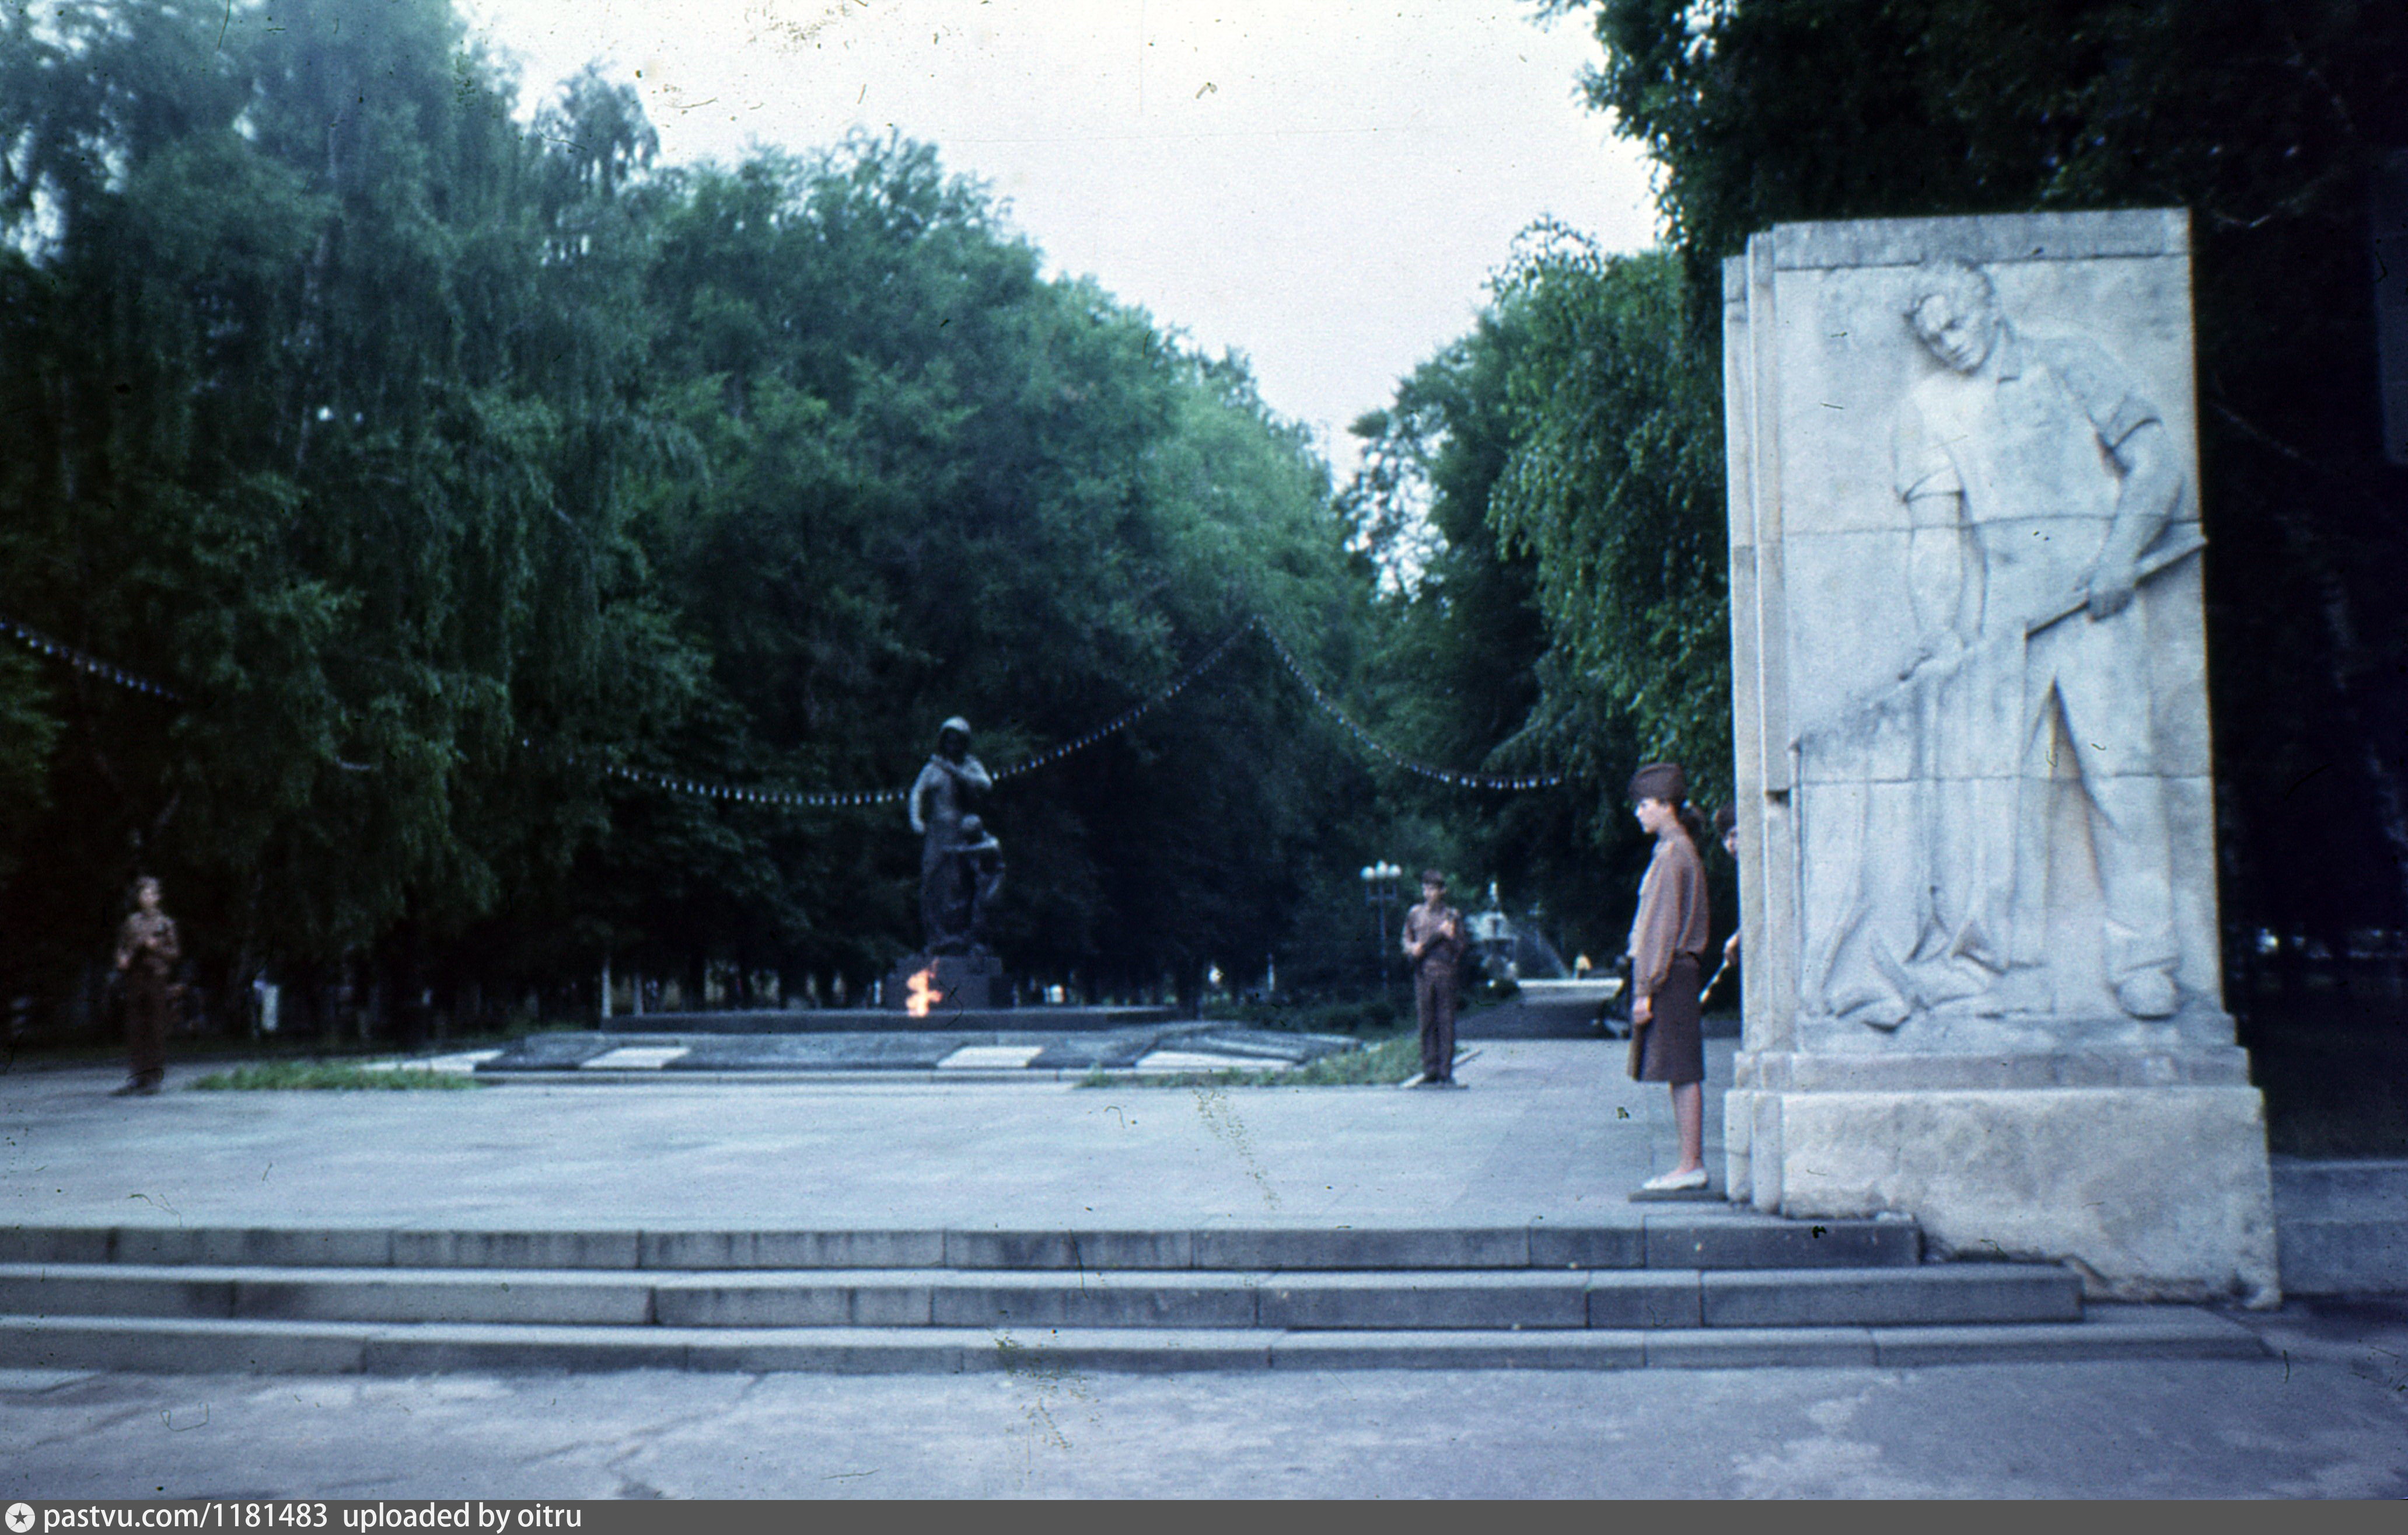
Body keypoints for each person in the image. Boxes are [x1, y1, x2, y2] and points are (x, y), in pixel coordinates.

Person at [1885, 256, 2183, 1021]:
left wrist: (2119, 553)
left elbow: (2154, 461)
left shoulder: (2069, 355)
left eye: (1952, 319)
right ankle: (2004, 964)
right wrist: (1938, 636)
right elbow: (1934, 538)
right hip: (2006, 621)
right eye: (1930, 333)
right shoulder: (1926, 407)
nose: (1946, 340)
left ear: (1985, 301)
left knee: (2122, 779)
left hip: (2096, 605)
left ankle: (2143, 959)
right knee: (1997, 793)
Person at [1627, 763, 1710, 1192]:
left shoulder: (1672, 855)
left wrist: (1644, 989)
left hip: (1670, 975)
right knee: (1680, 1068)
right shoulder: (1680, 850)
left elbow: (1659, 928)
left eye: (1644, 805)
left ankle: (1690, 1164)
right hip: (1678, 972)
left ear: (1665, 806)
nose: (1638, 813)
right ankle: (1688, 1162)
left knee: (1681, 1068)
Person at [907, 717, 992, 954]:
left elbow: (986, 785)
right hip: (937, 832)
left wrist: (957, 773)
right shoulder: (933, 768)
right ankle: (936, 936)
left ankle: (959, 936)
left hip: (961, 832)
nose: (952, 746)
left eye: (957, 742)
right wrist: (916, 818)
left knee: (959, 883)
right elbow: (917, 793)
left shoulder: (970, 765)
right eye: (949, 741)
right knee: (932, 882)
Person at [111, 875, 180, 1097]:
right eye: (144, 894)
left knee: (155, 1028)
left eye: (152, 893)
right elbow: (122, 947)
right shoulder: (132, 922)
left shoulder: (165, 923)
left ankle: (153, 1078)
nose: (148, 898)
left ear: (158, 898)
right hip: (135, 979)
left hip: (156, 978)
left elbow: (174, 953)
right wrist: (121, 959)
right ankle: (137, 1077)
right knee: (136, 1029)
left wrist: (155, 949)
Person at [1399, 870, 1466, 1089]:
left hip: (1445, 974)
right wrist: (1412, 948)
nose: (1428, 893)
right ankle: (1430, 1070)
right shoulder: (1415, 914)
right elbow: (1406, 939)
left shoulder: (1451, 916)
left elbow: (1461, 947)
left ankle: (1446, 1072)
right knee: (1426, 1022)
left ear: (1442, 891)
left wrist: (1450, 936)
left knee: (1446, 1022)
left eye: (1432, 889)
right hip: (1423, 974)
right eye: (1425, 888)